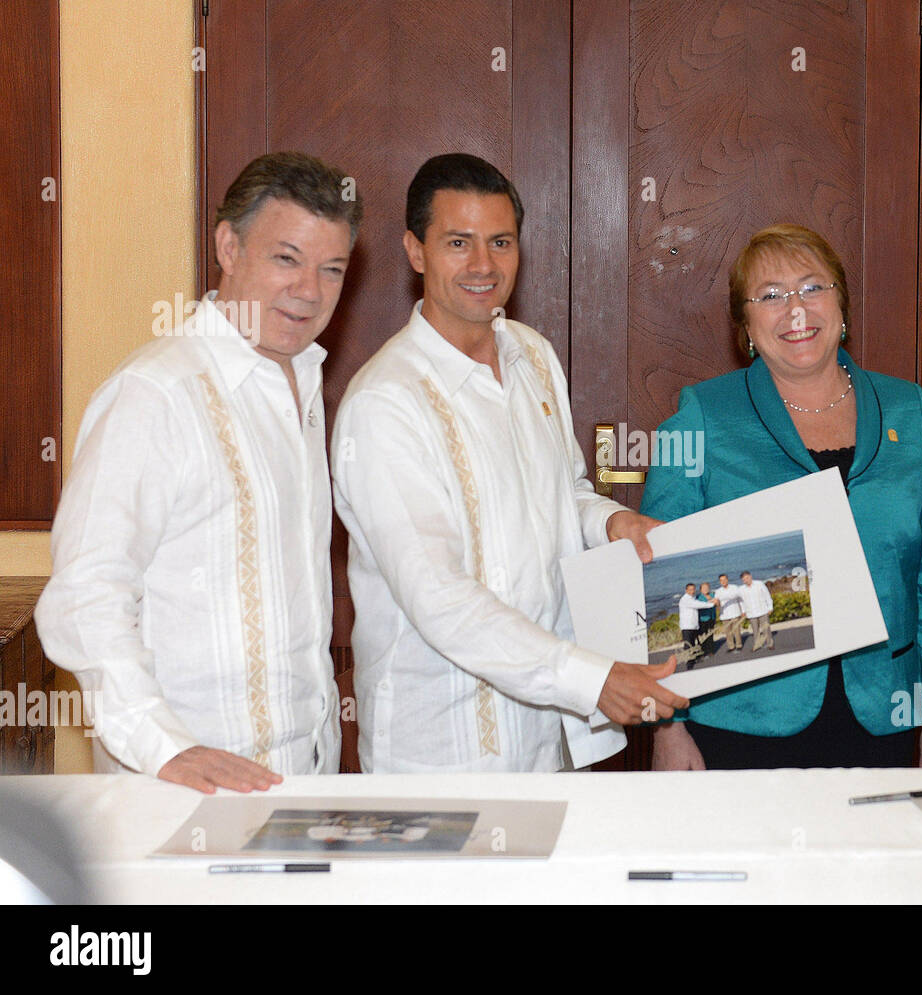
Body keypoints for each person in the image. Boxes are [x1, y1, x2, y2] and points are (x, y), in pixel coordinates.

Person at [332, 153, 686, 773]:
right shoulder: (384, 403)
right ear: (415, 251)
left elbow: (565, 489)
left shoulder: (532, 354)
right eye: (458, 242)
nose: (482, 265)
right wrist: (591, 678)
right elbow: (438, 594)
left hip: (543, 736)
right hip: (438, 753)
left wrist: (610, 523)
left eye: (500, 242)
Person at [35, 152, 362, 792]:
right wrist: (165, 748)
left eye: (332, 269)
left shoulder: (301, 385)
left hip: (302, 780)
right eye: (286, 259)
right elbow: (83, 598)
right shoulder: (155, 392)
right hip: (183, 794)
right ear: (228, 246)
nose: (309, 290)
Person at [641, 223, 922, 770]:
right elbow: (661, 586)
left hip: (885, 714)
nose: (796, 310)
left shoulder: (909, 411)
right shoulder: (702, 415)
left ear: (842, 305)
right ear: (744, 325)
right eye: (770, 296)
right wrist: (669, 727)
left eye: (813, 288)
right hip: (740, 717)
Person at [676, 582, 715, 668]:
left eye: (693, 589)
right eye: (690, 589)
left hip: (693, 625)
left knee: (693, 643)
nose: (692, 591)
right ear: (686, 590)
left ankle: (693, 658)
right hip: (687, 626)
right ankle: (689, 663)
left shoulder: (693, 598)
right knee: (688, 645)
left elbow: (698, 603)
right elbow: (698, 605)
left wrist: (710, 601)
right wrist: (712, 603)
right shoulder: (685, 599)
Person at [738, 570, 775, 651]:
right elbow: (741, 601)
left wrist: (770, 607)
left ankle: (770, 644)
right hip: (751, 613)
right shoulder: (741, 589)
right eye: (744, 579)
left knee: (766, 629)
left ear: (750, 576)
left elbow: (767, 595)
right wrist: (743, 611)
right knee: (755, 631)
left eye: (747, 578)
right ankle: (757, 645)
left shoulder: (759, 584)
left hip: (763, 610)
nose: (746, 580)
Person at [714, 574, 746, 651]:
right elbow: (717, 603)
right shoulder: (718, 591)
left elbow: (740, 599)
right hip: (724, 614)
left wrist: (743, 610)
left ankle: (739, 645)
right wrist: (716, 603)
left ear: (727, 579)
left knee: (737, 630)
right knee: (728, 632)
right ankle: (731, 646)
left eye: (724, 579)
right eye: (721, 580)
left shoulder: (734, 587)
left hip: (735, 612)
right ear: (720, 582)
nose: (723, 581)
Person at [696, 581, 719, 657]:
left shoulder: (713, 595)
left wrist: (715, 602)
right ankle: (703, 651)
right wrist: (711, 602)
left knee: (710, 635)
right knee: (703, 636)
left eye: (707, 588)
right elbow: (700, 606)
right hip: (703, 619)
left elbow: (717, 604)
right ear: (701, 589)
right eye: (704, 588)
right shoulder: (698, 597)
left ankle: (711, 650)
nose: (706, 589)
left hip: (712, 617)